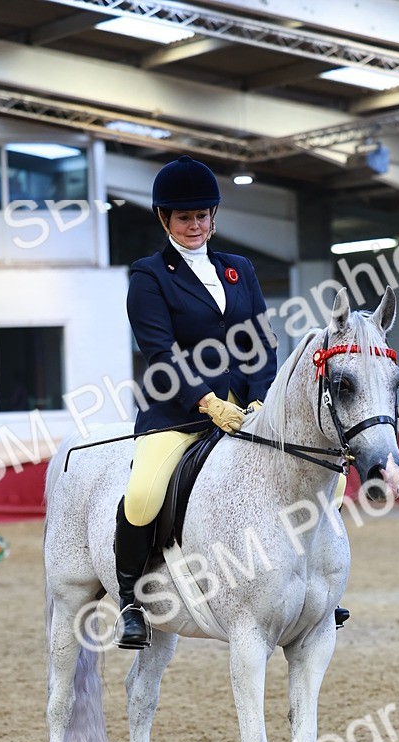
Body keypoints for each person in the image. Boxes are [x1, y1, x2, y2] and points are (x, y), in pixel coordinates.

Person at [116, 155, 278, 647]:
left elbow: (260, 342)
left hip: (245, 410)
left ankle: (312, 586)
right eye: (185, 217)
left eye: (203, 215)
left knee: (315, 475)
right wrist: (209, 403)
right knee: (144, 495)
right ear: (165, 219)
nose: (196, 225)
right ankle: (129, 599)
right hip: (178, 412)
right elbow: (160, 353)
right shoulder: (149, 275)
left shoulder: (239, 269)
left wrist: (259, 400)